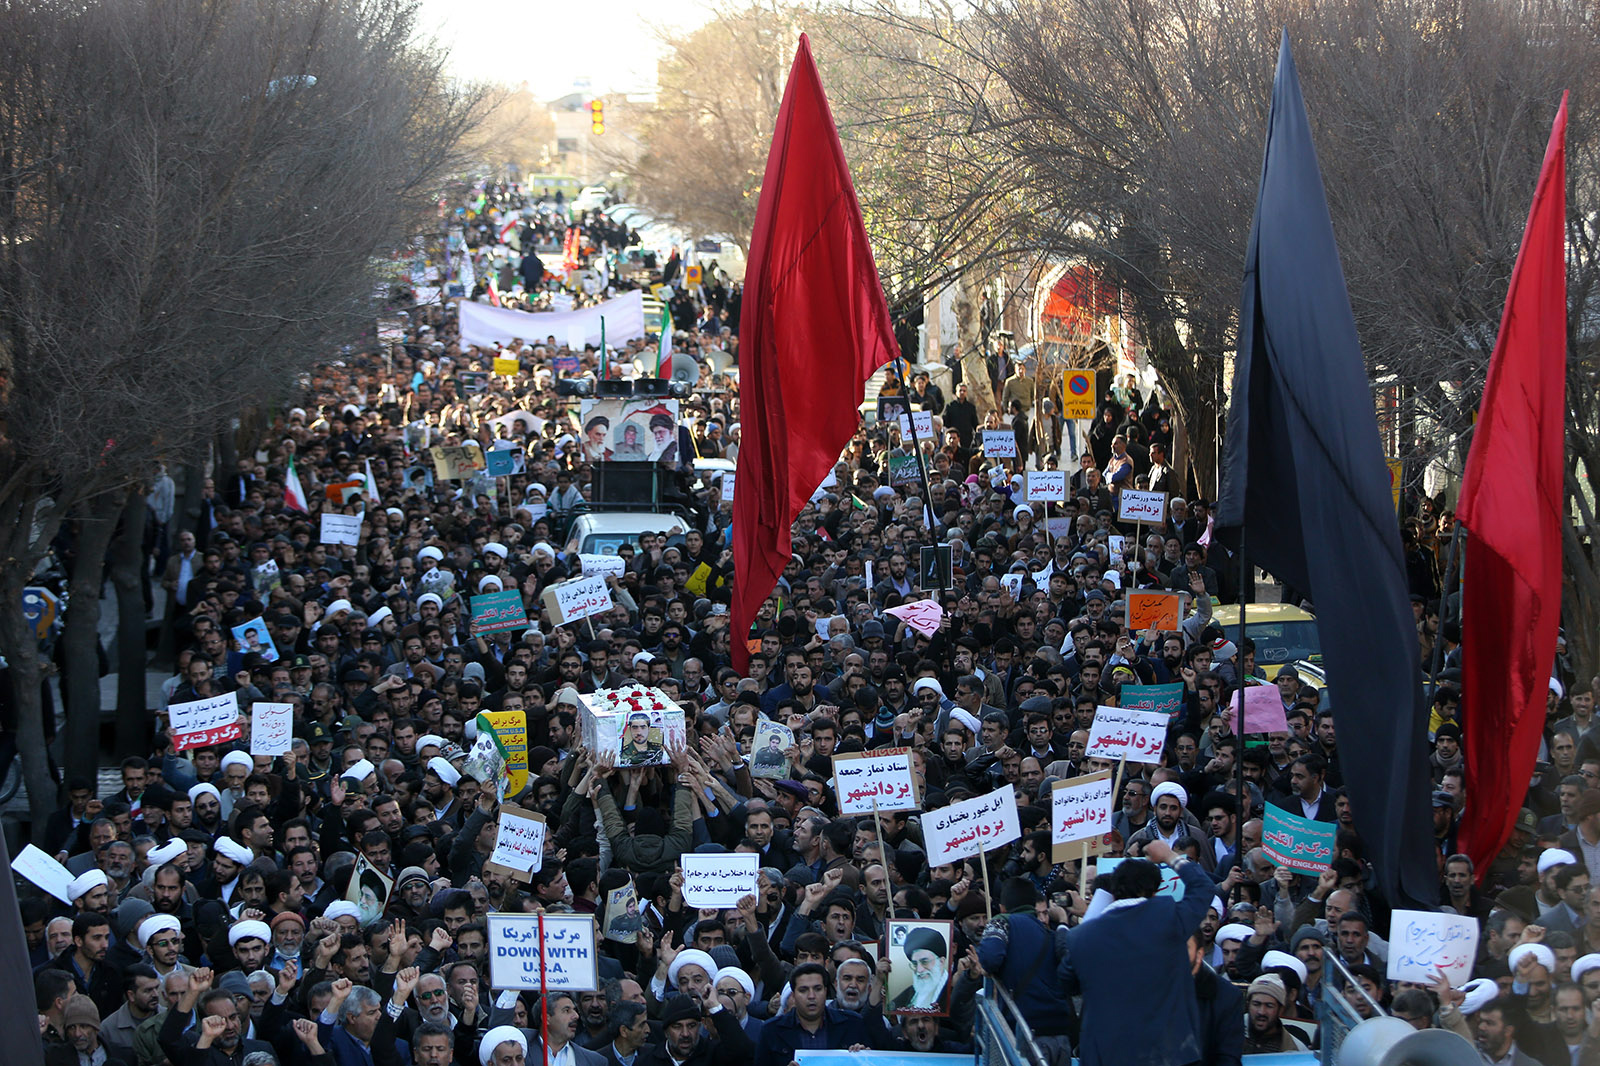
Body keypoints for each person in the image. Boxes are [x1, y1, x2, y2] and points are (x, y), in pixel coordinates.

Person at [1056, 840, 1214, 1066]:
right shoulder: (1168, 917)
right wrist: (1169, 856)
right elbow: (1203, 887)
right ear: (1154, 889)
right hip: (1169, 1054)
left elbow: (1066, 982)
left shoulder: (1081, 936)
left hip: (1106, 1055)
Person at [888, 926, 949, 1011]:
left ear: (941, 962)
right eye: (915, 963)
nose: (919, 970)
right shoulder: (911, 993)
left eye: (925, 962)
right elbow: (890, 1010)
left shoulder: (953, 990)